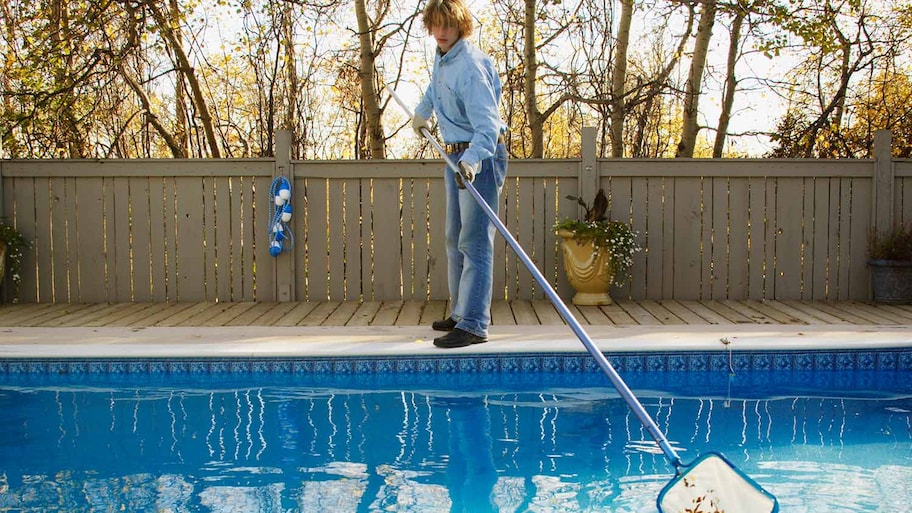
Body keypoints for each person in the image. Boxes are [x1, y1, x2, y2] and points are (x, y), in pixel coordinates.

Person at [412, 0, 508, 349]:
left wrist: (471, 161)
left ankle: (474, 323)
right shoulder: (444, 59)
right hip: (454, 155)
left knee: (475, 242)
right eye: (436, 25)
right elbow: (435, 90)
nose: (440, 32)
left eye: (447, 26)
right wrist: (422, 113)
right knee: (454, 239)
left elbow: (488, 126)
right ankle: (460, 311)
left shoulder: (470, 66)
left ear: (460, 27)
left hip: (478, 157)